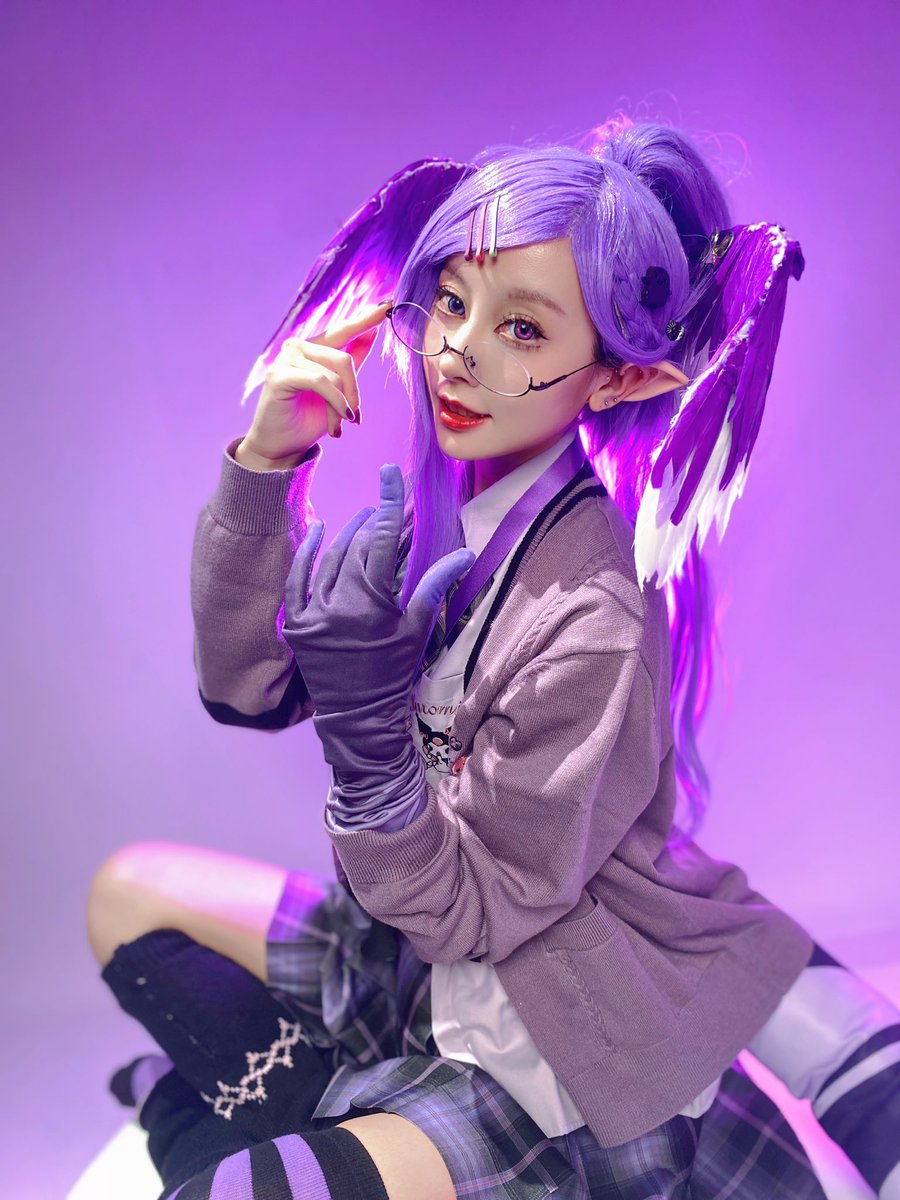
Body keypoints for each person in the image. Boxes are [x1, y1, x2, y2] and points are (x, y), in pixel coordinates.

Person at [87, 118, 900, 1200]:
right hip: (402, 957)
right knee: (126, 896)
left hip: (531, 1039)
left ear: (616, 381)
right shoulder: (441, 517)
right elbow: (240, 688)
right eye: (452, 301)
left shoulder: (594, 612)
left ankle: (243, 1123)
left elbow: (473, 913)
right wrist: (267, 464)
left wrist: (370, 744)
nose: (459, 352)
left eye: (521, 327)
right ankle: (320, 1112)